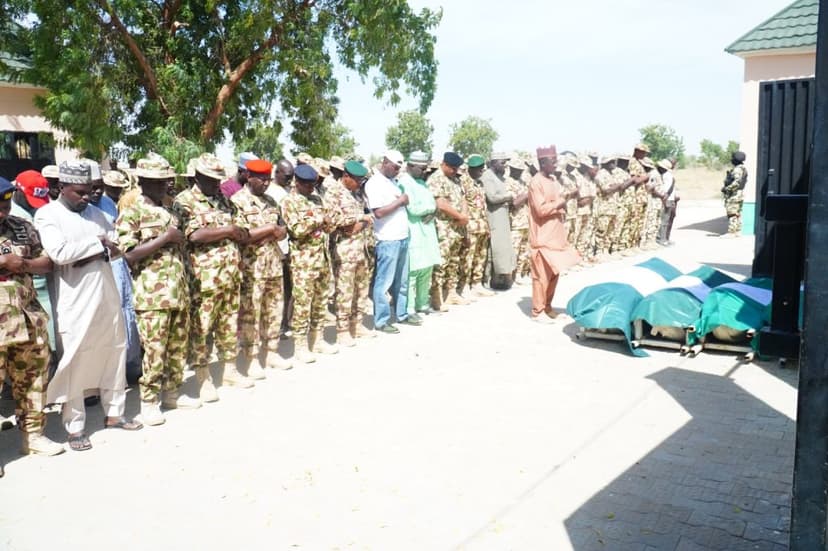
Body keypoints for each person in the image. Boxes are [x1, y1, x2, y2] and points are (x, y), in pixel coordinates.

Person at [35, 160, 143, 452]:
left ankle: (115, 414)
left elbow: (119, 245)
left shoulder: (97, 213)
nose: (86, 197)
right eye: (80, 192)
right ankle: (75, 427)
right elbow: (59, 254)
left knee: (115, 350)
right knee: (75, 358)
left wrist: (96, 248)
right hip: (74, 299)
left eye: (90, 191)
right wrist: (98, 246)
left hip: (106, 294)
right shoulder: (48, 215)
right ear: (61, 187)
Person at [174, 153, 252, 402]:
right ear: (197, 176)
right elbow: (193, 236)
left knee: (229, 324)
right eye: (209, 179)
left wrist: (232, 231)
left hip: (229, 273)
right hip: (203, 278)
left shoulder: (223, 200)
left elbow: (242, 229)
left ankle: (229, 369)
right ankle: (203, 376)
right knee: (201, 329)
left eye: (217, 179)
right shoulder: (184, 201)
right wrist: (228, 231)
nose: (215, 184)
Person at [0, 177, 64, 456]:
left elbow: (47, 262)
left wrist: (22, 263)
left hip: (28, 318)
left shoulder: (22, 227)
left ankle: (33, 436)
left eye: (6, 203)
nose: (3, 211)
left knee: (34, 380)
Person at [231, 158, 292, 373]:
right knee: (251, 314)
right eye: (261, 179)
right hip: (251, 267)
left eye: (268, 179)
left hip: (273, 263)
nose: (266, 183)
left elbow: (283, 229)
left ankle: (271, 352)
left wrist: (274, 232)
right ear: (249, 177)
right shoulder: (237, 201)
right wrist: (268, 230)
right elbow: (241, 235)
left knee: (274, 310)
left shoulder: (271, 201)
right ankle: (251, 358)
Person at [280, 163, 338, 361]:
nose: (310, 188)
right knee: (303, 303)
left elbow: (331, 224)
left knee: (320, 301)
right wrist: (317, 219)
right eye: (306, 184)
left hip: (322, 258)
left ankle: (318, 339)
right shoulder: (289, 202)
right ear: (297, 182)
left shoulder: (316, 199)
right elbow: (296, 229)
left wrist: (321, 218)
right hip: (303, 261)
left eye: (312, 184)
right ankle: (300, 345)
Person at [364, 150, 415, 333]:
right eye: (394, 166)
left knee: (401, 280)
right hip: (387, 239)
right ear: (385, 162)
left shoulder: (393, 182)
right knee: (384, 282)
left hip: (401, 237)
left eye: (399, 168)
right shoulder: (374, 183)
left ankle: (402, 313)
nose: (397, 170)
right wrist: (401, 201)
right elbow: (378, 213)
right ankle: (382, 320)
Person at [527, 146, 579, 323]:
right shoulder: (536, 182)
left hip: (556, 237)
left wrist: (563, 202)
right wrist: (560, 202)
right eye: (553, 160)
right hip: (542, 238)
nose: (556, 163)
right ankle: (537, 311)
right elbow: (541, 210)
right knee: (541, 276)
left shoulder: (553, 180)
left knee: (554, 274)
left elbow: (558, 205)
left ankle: (548, 307)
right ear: (542, 162)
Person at [10, 170, 56, 362]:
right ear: (17, 191)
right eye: (30, 199)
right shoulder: (12, 213)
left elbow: (47, 261)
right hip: (11, 296)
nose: (34, 206)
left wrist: (23, 264)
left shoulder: (41, 210)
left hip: (38, 289)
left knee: (47, 345)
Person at [327, 160, 374, 346]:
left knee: (361, 289)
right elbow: (337, 221)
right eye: (357, 180)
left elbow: (360, 224)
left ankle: (357, 324)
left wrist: (359, 223)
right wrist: (361, 219)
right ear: (346, 176)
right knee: (344, 291)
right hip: (344, 249)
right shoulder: (333, 193)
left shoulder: (356, 194)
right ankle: (342, 330)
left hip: (361, 248)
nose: (360, 184)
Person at [398, 151, 442, 317]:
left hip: (427, 232)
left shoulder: (421, 183)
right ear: (410, 166)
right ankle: (409, 308)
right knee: (413, 272)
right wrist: (432, 209)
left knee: (427, 269)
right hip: (414, 231)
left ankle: (422, 304)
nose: (425, 172)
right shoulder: (404, 183)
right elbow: (413, 208)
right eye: (422, 168)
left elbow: (432, 204)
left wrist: (433, 209)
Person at [428, 152, 469, 311]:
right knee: (441, 262)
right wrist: (459, 216)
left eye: (456, 168)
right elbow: (440, 204)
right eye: (452, 168)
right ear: (444, 164)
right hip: (443, 226)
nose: (454, 171)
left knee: (454, 261)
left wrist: (464, 216)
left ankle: (451, 292)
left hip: (458, 226)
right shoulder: (436, 179)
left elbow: (463, 198)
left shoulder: (455, 179)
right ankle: (436, 297)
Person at [266, 160, 295, 338]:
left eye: (292, 176)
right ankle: (276, 327)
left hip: (288, 247)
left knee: (288, 289)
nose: (290, 179)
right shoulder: (270, 193)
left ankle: (284, 324)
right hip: (276, 248)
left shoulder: (288, 190)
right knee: (277, 291)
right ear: (277, 173)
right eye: (287, 176)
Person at [481, 152, 516, 289]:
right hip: (494, 218)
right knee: (493, 250)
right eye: (502, 162)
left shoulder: (499, 177)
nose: (505, 165)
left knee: (502, 249)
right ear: (494, 163)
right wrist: (509, 196)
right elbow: (492, 198)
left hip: (502, 217)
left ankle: (499, 280)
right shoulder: (488, 177)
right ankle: (486, 281)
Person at [459, 154, 493, 298]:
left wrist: (488, 226)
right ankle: (464, 286)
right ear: (472, 169)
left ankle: (477, 284)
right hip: (470, 226)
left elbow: (482, 206)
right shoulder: (463, 183)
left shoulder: (479, 183)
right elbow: (463, 205)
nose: (481, 172)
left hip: (482, 226)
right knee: (467, 257)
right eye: (479, 169)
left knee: (481, 256)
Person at [504, 158, 530, 282]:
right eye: (517, 170)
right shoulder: (507, 183)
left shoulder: (523, 182)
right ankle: (510, 277)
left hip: (526, 221)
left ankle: (519, 274)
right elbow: (513, 203)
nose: (519, 172)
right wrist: (526, 195)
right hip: (515, 222)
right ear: (512, 169)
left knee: (524, 250)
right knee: (513, 251)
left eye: (521, 170)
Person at [593, 157, 621, 259]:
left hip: (613, 207)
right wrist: (617, 185)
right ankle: (599, 251)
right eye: (612, 162)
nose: (614, 164)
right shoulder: (601, 174)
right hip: (604, 207)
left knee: (611, 230)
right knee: (602, 230)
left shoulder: (611, 174)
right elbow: (606, 190)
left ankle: (606, 249)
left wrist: (616, 186)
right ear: (607, 163)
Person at [723, 151, 747, 236]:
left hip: (735, 194)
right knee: (737, 213)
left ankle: (731, 232)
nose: (731, 160)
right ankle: (737, 231)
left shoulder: (737, 169)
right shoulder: (742, 168)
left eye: (733, 158)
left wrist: (727, 189)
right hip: (739, 194)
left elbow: (737, 182)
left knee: (732, 212)